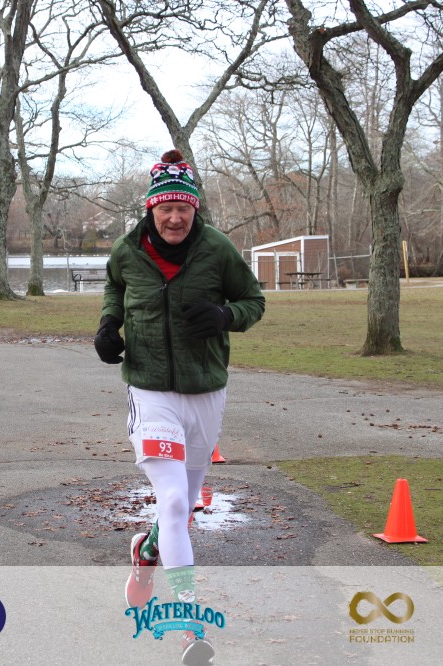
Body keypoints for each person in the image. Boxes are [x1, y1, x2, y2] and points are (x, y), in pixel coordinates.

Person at [95, 149, 265, 666]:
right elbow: (114, 288)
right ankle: (190, 623)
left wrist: (225, 316)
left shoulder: (217, 249)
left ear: (195, 209)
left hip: (205, 391)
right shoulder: (127, 250)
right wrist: (108, 326)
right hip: (149, 390)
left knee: (184, 505)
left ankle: (146, 551)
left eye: (183, 209)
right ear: (152, 208)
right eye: (166, 208)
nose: (174, 218)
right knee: (171, 501)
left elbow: (253, 301)